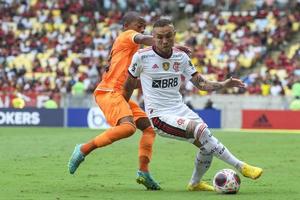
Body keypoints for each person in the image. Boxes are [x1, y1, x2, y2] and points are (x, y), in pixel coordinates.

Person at [123, 18, 263, 191]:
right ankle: (241, 166)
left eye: (168, 36)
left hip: (180, 109)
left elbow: (201, 84)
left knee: (207, 143)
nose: (164, 41)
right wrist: (123, 107)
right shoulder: (141, 57)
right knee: (202, 131)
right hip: (159, 115)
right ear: (152, 37)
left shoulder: (180, 57)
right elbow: (129, 84)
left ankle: (195, 183)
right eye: (159, 37)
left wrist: (223, 84)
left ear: (174, 35)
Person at [68, 12, 189, 190]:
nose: (141, 28)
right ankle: (83, 149)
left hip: (121, 93)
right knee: (128, 128)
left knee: (149, 129)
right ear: (126, 26)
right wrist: (172, 44)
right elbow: (143, 38)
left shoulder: (135, 53)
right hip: (108, 91)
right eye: (138, 25)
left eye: (143, 26)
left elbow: (133, 81)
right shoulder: (126, 36)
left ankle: (143, 172)